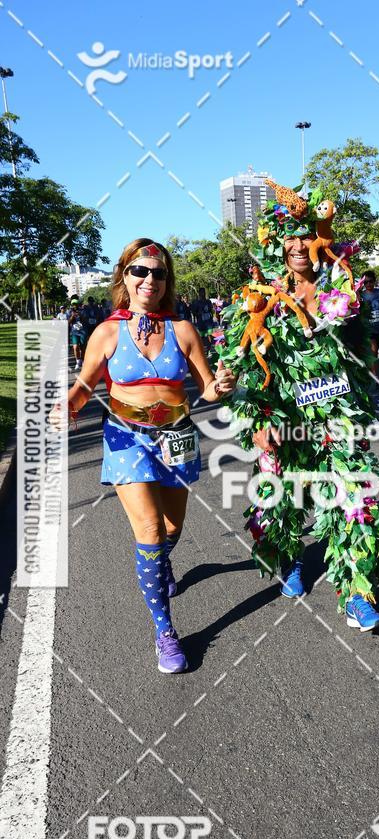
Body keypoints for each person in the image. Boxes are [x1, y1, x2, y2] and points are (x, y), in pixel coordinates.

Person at [55, 239, 236, 673]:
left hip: (177, 436)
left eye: (157, 273)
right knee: (151, 529)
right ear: (125, 277)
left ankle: (163, 562)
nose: (148, 279)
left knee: (172, 527)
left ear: (166, 281)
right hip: (126, 439)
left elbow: (206, 387)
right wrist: (69, 403)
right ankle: (166, 633)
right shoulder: (108, 332)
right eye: (139, 271)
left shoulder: (183, 330)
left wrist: (220, 387)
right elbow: (86, 384)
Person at [218, 180, 379, 632]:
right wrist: (257, 420)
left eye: (304, 235)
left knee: (354, 497)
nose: (297, 246)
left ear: (318, 240)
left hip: (338, 414)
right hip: (283, 418)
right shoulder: (259, 298)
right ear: (276, 244)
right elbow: (243, 366)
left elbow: (361, 358)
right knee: (281, 499)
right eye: (287, 237)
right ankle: (289, 562)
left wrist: (354, 334)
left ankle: (357, 594)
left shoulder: (344, 289)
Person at [68, 298, 86, 369]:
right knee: (75, 347)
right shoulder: (69, 312)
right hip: (74, 332)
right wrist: (72, 316)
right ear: (72, 305)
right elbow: (68, 322)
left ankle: (83, 360)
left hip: (82, 332)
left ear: (78, 304)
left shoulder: (82, 311)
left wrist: (80, 315)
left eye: (76, 304)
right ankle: (78, 361)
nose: (74, 306)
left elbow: (85, 320)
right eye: (73, 304)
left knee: (82, 347)